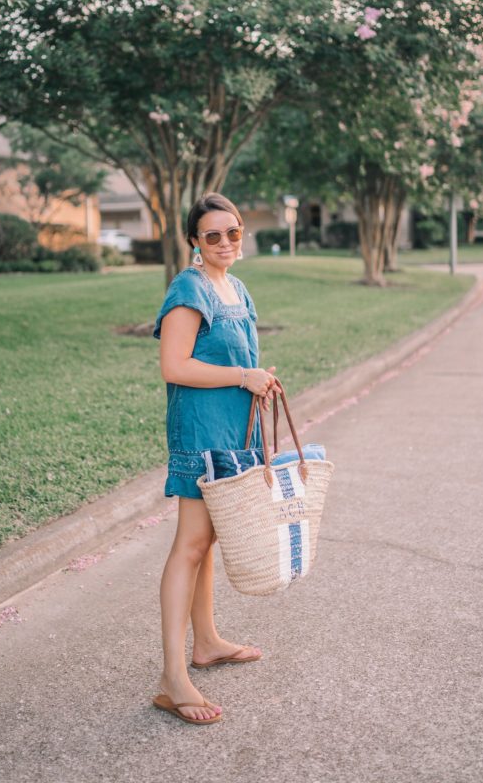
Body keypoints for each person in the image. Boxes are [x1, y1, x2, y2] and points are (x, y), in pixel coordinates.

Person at [151, 192, 281, 725]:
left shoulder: (238, 288)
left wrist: (259, 377)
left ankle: (205, 643)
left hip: (235, 432)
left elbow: (237, 357)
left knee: (207, 543)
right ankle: (171, 677)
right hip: (201, 433)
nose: (226, 242)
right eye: (213, 236)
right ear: (194, 243)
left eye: (234, 232)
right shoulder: (188, 287)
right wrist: (240, 376)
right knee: (190, 546)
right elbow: (174, 366)